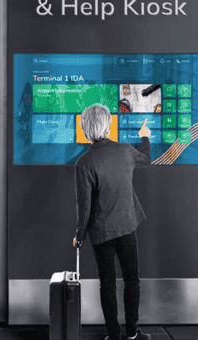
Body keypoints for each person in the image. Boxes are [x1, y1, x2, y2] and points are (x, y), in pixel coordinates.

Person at [72, 104, 152, 340]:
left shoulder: (84, 162)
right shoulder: (126, 150)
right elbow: (146, 159)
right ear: (108, 125)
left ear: (86, 128)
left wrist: (80, 235)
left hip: (101, 231)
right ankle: (132, 333)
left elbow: (84, 206)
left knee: (106, 283)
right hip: (127, 225)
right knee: (131, 279)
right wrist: (144, 137)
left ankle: (114, 335)